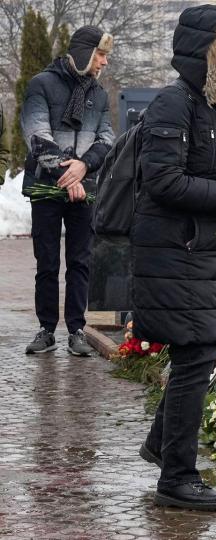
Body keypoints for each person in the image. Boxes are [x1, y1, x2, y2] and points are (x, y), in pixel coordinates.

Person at [133, 3, 216, 511]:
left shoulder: (212, 108)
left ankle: (161, 445)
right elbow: (163, 180)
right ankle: (176, 478)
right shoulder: (175, 104)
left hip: (197, 251)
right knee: (195, 355)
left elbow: (205, 169)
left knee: (198, 355)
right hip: (176, 253)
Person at [21, 25, 114, 356]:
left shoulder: (99, 94)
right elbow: (36, 134)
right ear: (85, 52)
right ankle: (46, 330)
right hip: (47, 188)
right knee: (46, 262)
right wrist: (69, 177)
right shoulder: (41, 84)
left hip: (83, 189)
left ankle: (76, 329)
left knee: (80, 262)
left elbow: (106, 139)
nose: (104, 62)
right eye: (100, 54)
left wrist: (84, 166)